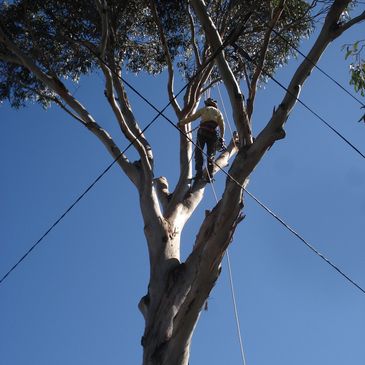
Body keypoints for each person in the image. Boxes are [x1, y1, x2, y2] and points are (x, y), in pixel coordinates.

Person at [178, 98, 225, 181]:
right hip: (213, 134)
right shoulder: (218, 112)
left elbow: (193, 117)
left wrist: (181, 122)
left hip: (203, 132)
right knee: (211, 154)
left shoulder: (204, 109)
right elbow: (222, 125)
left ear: (207, 104)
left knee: (198, 152)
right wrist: (222, 137)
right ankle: (209, 175)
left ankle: (199, 173)